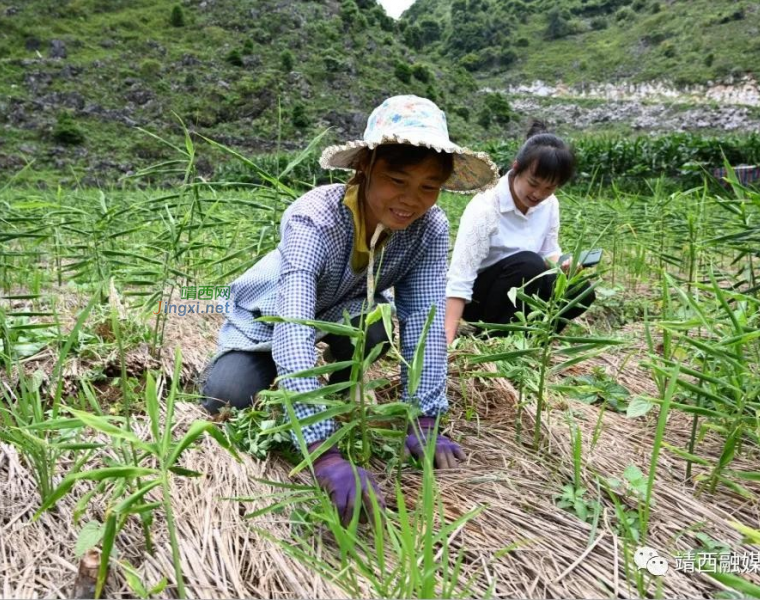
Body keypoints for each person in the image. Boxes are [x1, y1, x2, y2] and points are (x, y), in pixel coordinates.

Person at [199, 95, 498, 524]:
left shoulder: (428, 229)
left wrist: (425, 415)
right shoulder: (314, 219)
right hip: (270, 318)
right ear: (366, 169)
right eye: (397, 180)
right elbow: (294, 324)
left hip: (347, 312)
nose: (411, 200)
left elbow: (425, 320)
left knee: (372, 326)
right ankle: (287, 392)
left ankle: (341, 387)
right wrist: (324, 449)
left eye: (428, 187)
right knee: (228, 396)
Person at [445, 133, 595, 345]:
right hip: (482, 298)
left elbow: (548, 252)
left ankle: (534, 338)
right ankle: (496, 335)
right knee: (528, 263)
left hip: (524, 287)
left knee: (581, 289)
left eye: (549, 188)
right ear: (516, 168)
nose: (538, 194)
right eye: (533, 183)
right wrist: (446, 338)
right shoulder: (486, 207)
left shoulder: (549, 204)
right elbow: (461, 278)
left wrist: (563, 265)